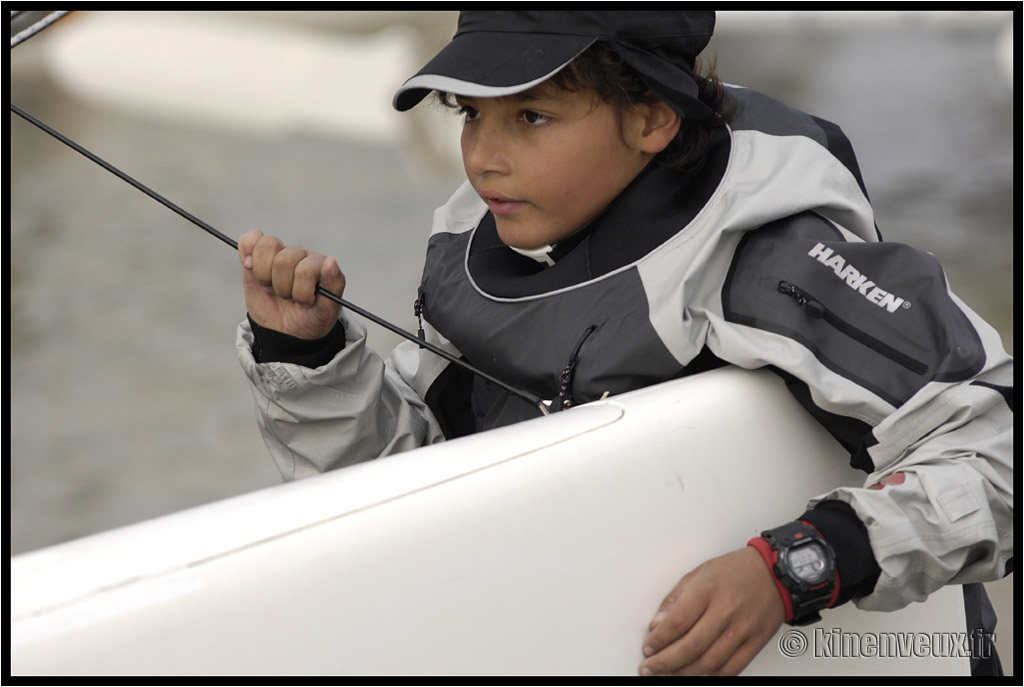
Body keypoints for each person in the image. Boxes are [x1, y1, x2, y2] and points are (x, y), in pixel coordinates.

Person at [235, 11, 1013, 676]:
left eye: (531, 116)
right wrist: (308, 359)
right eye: (469, 113)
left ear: (651, 118)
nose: (482, 158)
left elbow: (996, 445)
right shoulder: (480, 241)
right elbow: (410, 493)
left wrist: (791, 569)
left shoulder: (775, 259)